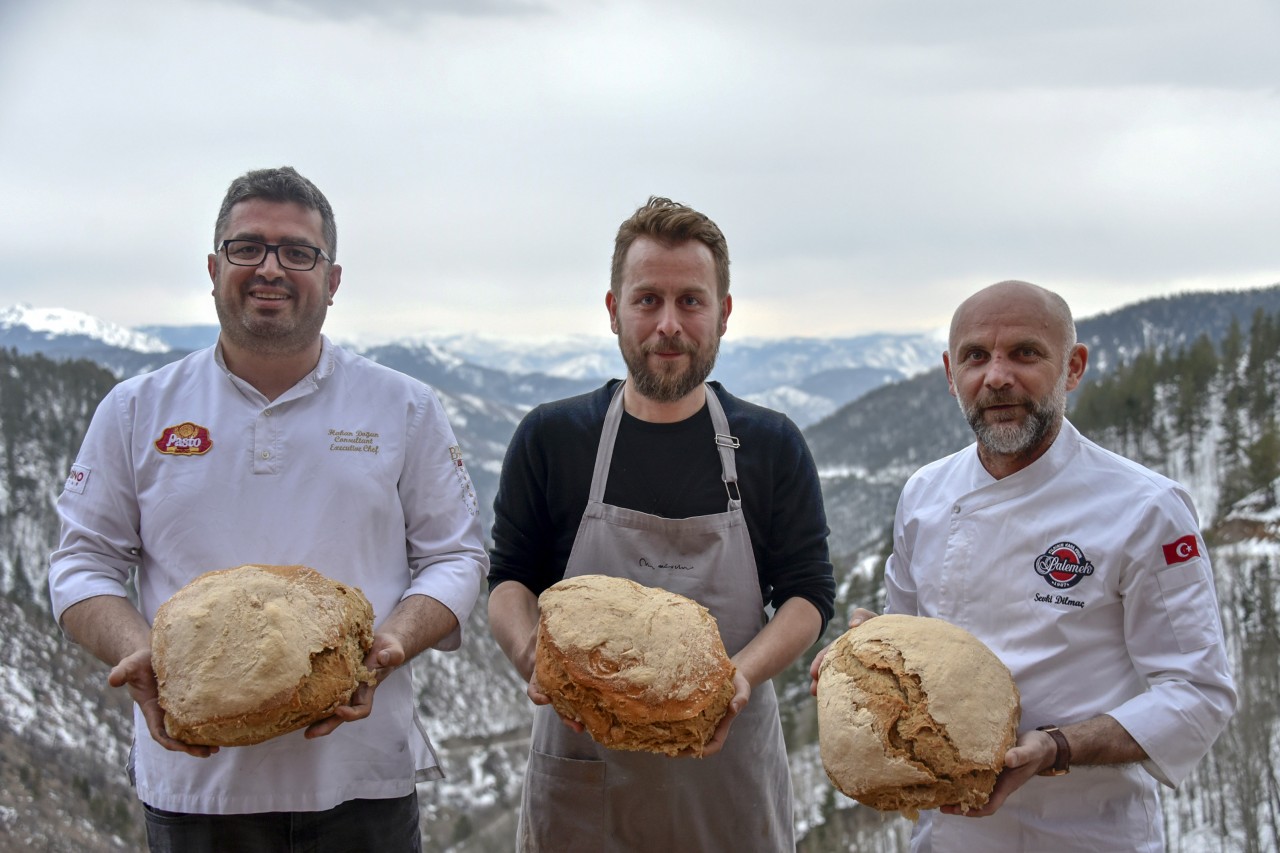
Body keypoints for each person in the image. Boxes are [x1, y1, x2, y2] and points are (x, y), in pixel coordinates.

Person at [48, 166, 488, 852]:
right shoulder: (137, 410)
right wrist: (138, 650)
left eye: (298, 252)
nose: (270, 268)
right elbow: (81, 561)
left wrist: (394, 642)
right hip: (197, 780)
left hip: (361, 777)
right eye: (247, 247)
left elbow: (456, 555)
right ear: (213, 266)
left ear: (333, 280)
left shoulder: (403, 407)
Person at [811, 280, 1237, 852]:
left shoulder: (1145, 508)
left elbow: (1196, 691)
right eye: (976, 357)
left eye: (1025, 353)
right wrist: (860, 655)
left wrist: (1055, 748)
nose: (997, 377)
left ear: (1073, 366)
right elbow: (909, 642)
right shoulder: (925, 494)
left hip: (1089, 831)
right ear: (948, 373)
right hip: (947, 831)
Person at [487, 196, 835, 851]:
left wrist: (740, 676)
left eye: (691, 301)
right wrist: (530, 650)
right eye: (647, 299)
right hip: (584, 781)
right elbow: (508, 578)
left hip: (726, 782)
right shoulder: (552, 438)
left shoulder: (772, 445)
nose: (668, 324)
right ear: (614, 309)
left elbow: (808, 595)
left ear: (724, 314)